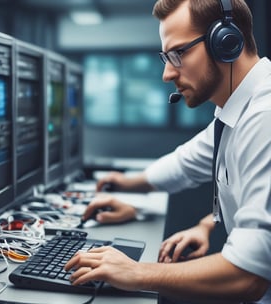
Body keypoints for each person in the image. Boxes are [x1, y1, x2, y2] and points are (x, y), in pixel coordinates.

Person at [64, 0, 271, 303]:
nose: (167, 74)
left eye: (177, 54)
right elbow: (186, 163)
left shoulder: (264, 118)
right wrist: (124, 185)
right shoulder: (236, 112)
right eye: (165, 57)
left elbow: (248, 277)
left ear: (226, 41)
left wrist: (136, 272)